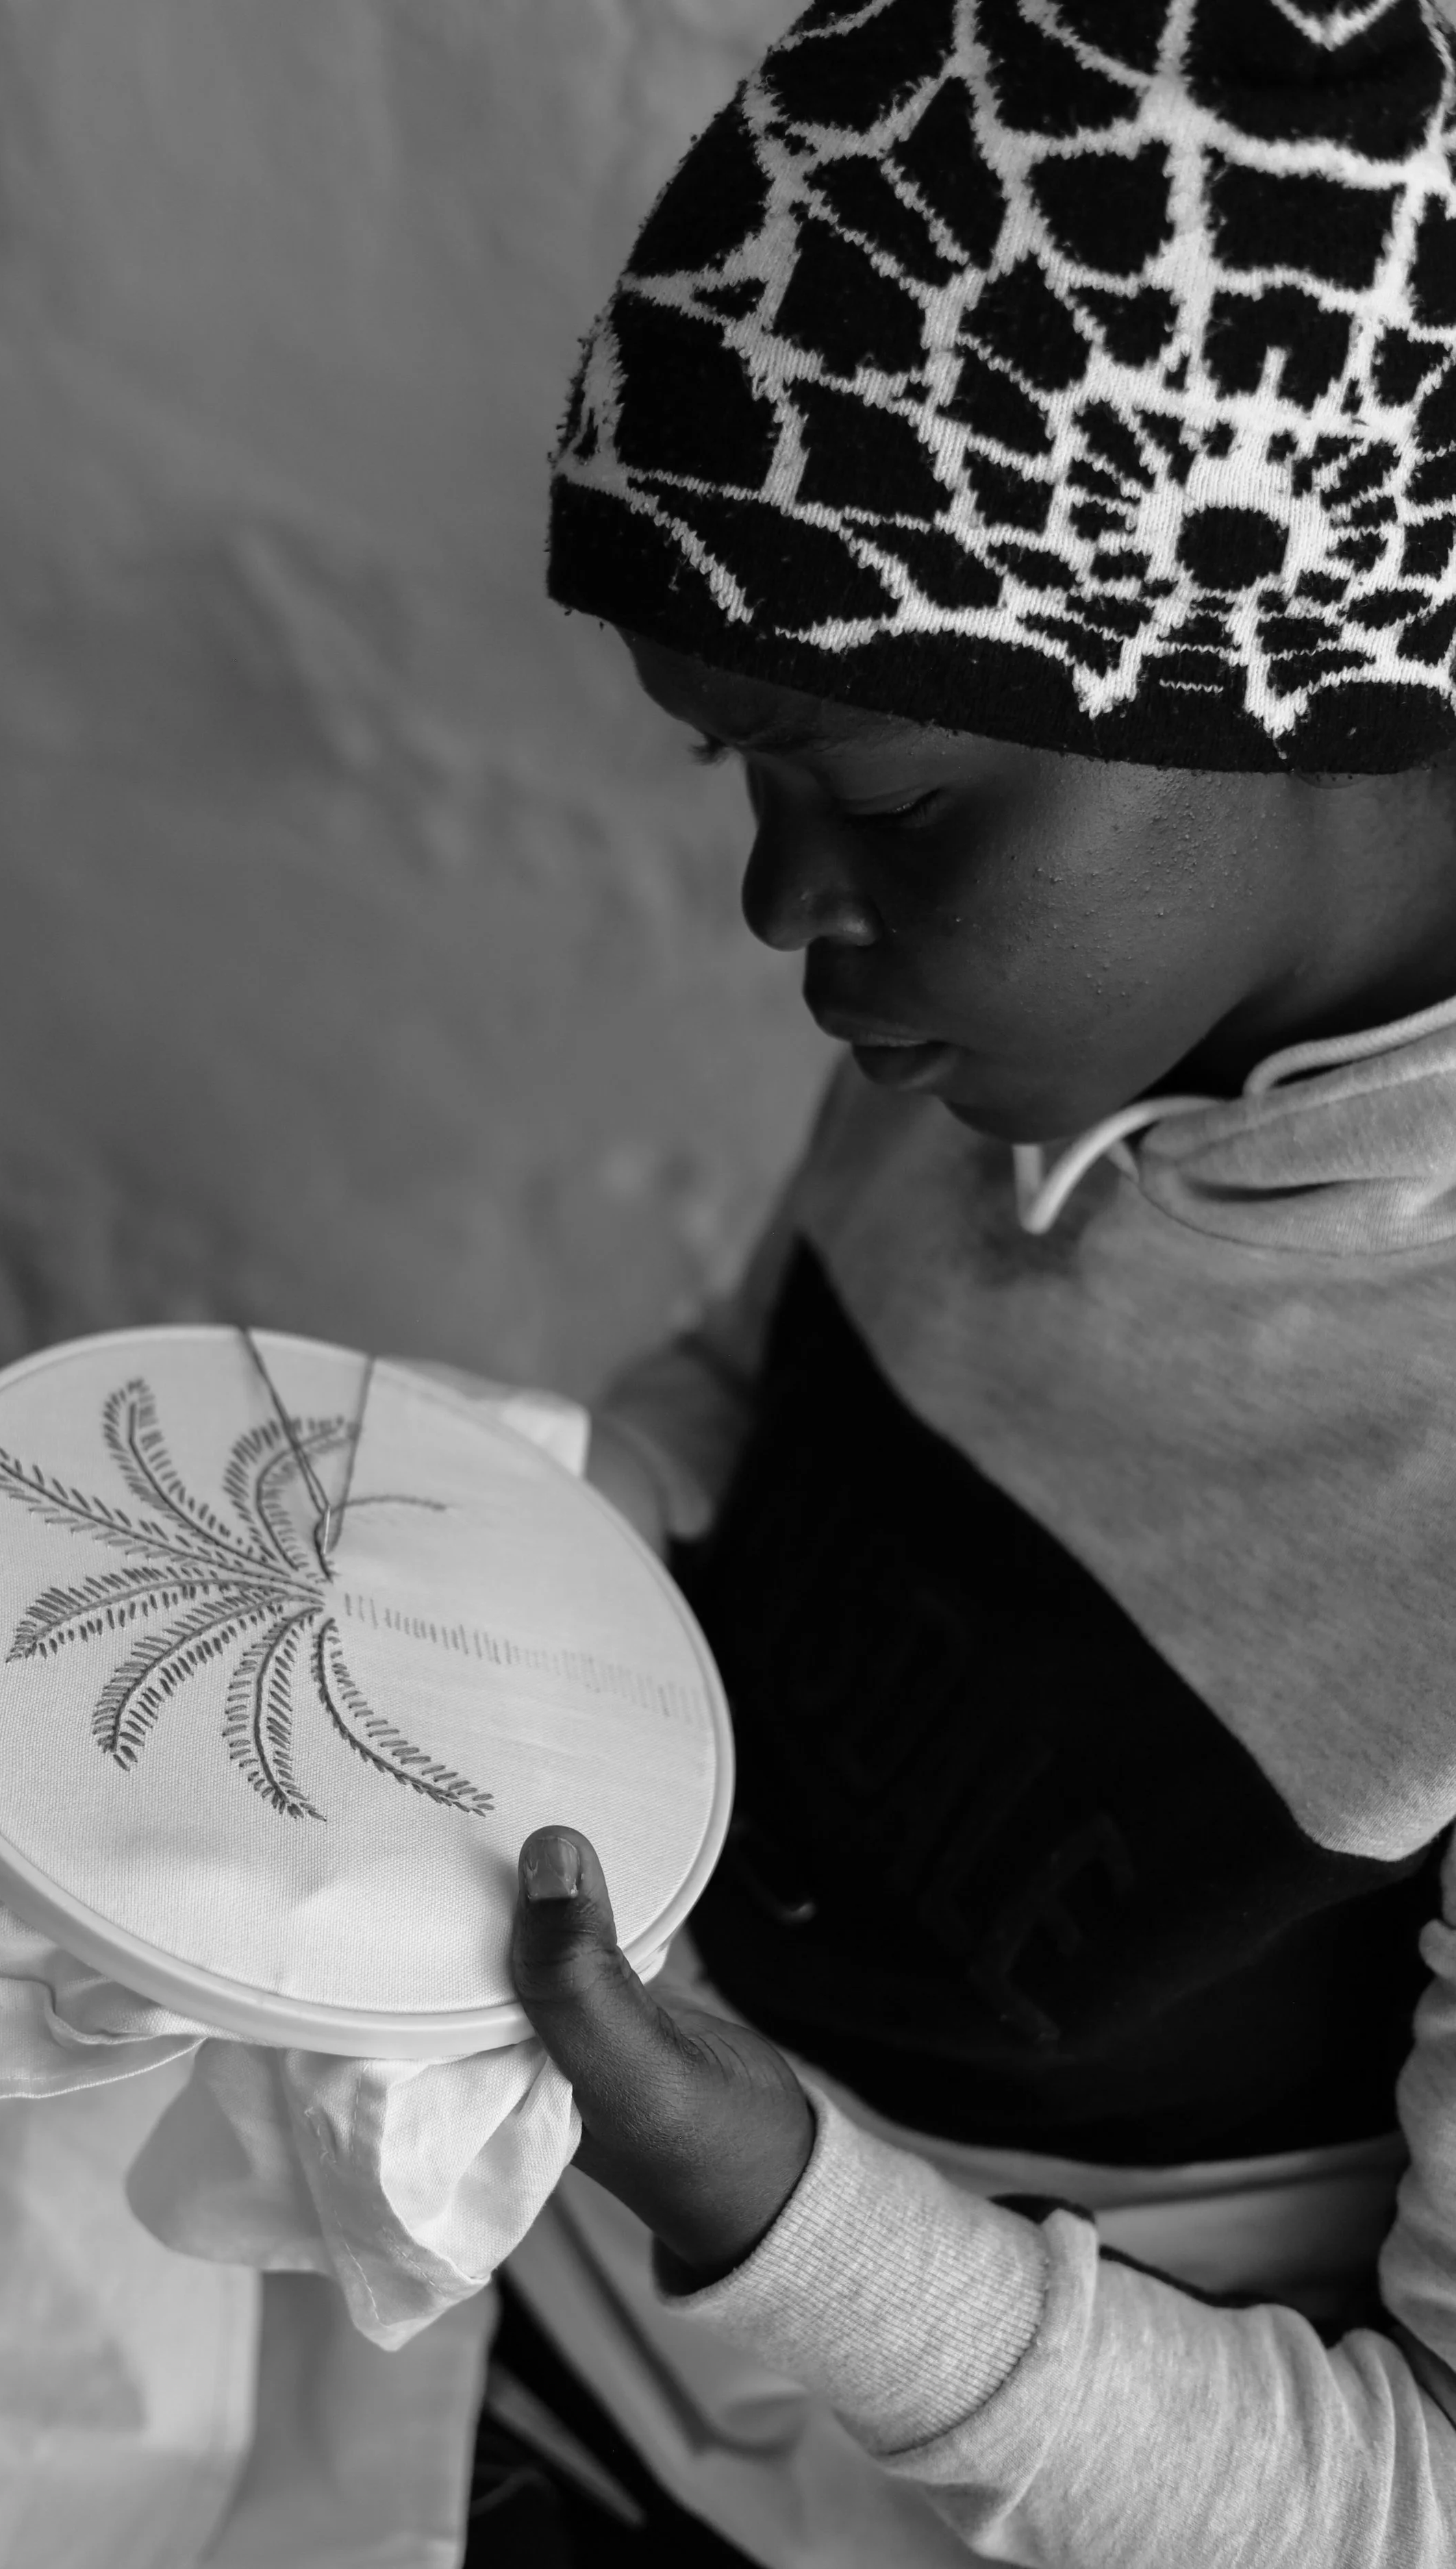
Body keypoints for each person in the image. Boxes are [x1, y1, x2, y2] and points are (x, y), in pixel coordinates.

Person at [491, 1, 1456, 2561]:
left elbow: (1410, 2502)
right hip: (539, 2281)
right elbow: (764, 1413)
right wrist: (463, 1539)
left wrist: (760, 2192)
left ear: (1318, 706)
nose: (785, 917)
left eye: (891, 798)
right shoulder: (1030, 1033)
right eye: (745, 776)